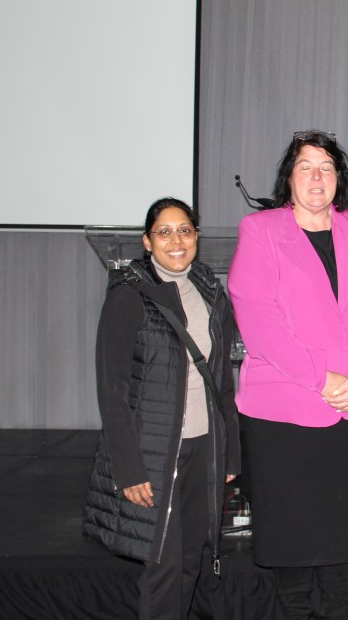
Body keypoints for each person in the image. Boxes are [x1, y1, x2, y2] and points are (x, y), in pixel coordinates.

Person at [227, 130, 348, 619]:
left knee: (345, 542)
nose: (316, 176)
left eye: (326, 167)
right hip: (283, 412)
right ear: (289, 178)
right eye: (305, 166)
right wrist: (322, 379)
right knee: (293, 545)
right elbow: (257, 315)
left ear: (339, 178)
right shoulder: (260, 230)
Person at [84, 197, 241, 620]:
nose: (176, 241)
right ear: (147, 242)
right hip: (154, 456)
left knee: (190, 562)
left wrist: (230, 452)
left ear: (196, 237)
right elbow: (112, 390)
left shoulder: (210, 293)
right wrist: (129, 469)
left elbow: (222, 382)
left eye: (184, 230)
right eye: (165, 232)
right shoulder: (129, 296)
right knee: (165, 569)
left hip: (204, 448)